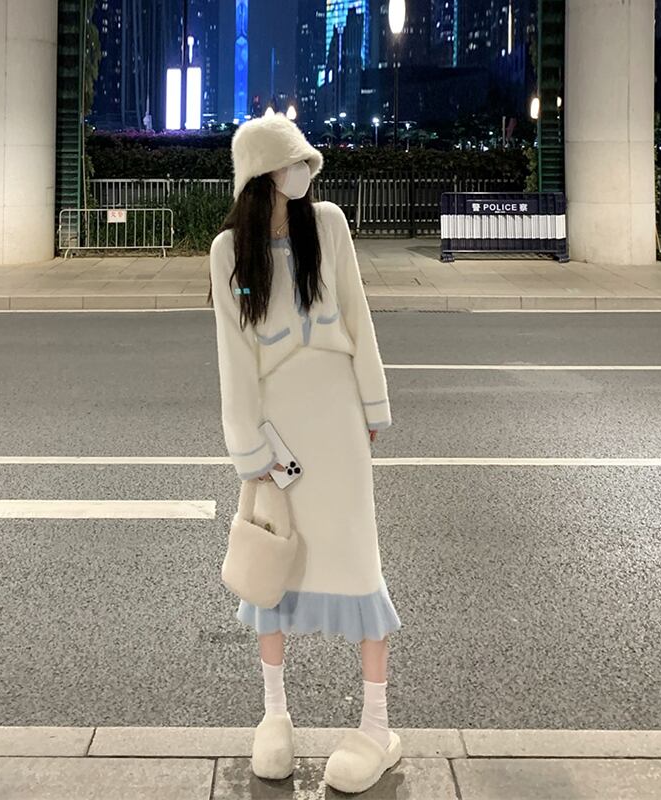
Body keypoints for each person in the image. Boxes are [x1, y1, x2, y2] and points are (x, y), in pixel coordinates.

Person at [207, 112, 402, 794]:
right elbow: (233, 358)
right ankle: (274, 716)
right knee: (272, 569)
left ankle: (376, 726)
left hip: (338, 424)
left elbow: (358, 315)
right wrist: (249, 447)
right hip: (277, 433)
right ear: (262, 174)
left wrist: (373, 405)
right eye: (293, 163)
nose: (305, 172)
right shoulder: (229, 253)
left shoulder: (330, 226)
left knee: (358, 564)